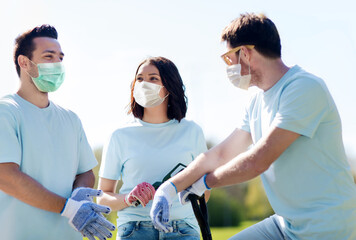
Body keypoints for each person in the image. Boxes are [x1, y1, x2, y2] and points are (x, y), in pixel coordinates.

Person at [150, 13, 356, 240]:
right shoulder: (256, 102)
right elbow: (220, 154)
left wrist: (207, 182)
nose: (228, 66)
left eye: (229, 58)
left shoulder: (304, 87)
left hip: (328, 226)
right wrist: (169, 188)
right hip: (286, 223)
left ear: (246, 53)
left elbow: (258, 160)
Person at [0, 25, 115, 240]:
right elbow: (5, 176)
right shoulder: (6, 112)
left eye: (60, 58)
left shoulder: (71, 119)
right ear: (24, 62)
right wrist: (69, 209)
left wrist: (80, 194)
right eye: (48, 56)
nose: (57, 64)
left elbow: (86, 172)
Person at [97, 56, 209, 240]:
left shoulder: (192, 131)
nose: (143, 84)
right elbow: (102, 197)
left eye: (153, 78)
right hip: (134, 230)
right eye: (139, 79)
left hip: (183, 230)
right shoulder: (119, 135)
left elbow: (205, 191)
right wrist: (128, 199)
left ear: (169, 86)